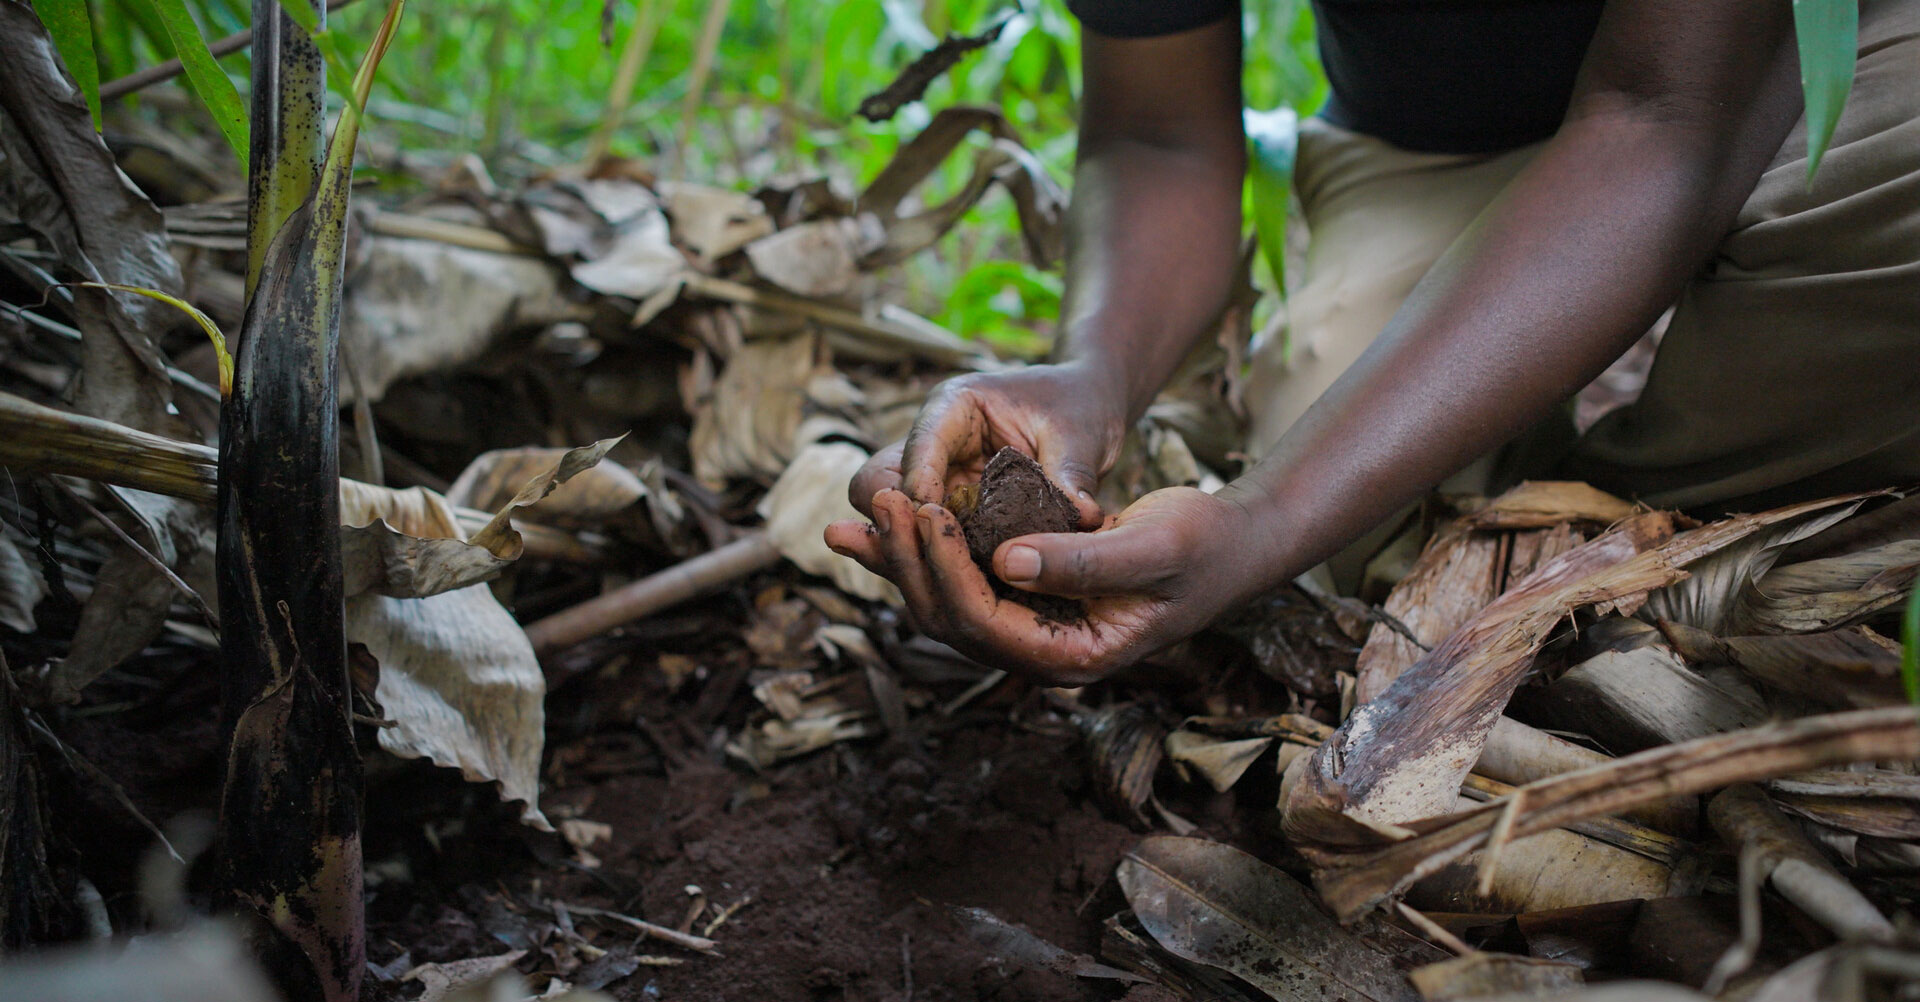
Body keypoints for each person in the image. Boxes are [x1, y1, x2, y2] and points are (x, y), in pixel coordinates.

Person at [824, 0, 1920, 684]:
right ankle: (1572, 551)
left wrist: (1263, 515)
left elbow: (1667, 117)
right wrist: (1094, 374)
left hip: (1805, 80)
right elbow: (1160, 132)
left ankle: (1641, 552)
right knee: (1357, 544)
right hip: (1440, 145)